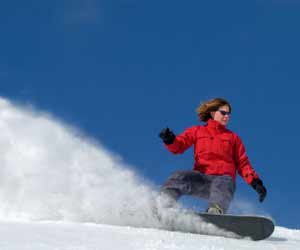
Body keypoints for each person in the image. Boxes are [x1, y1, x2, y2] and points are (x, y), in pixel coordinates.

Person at [158, 98, 267, 214]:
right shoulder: (197, 131)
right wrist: (170, 140)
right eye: (223, 113)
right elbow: (179, 146)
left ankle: (215, 211)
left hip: (223, 180)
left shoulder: (233, 138)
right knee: (178, 176)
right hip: (201, 179)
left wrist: (256, 183)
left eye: (228, 114)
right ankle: (163, 204)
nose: (227, 116)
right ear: (213, 113)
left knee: (223, 183)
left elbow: (243, 163)